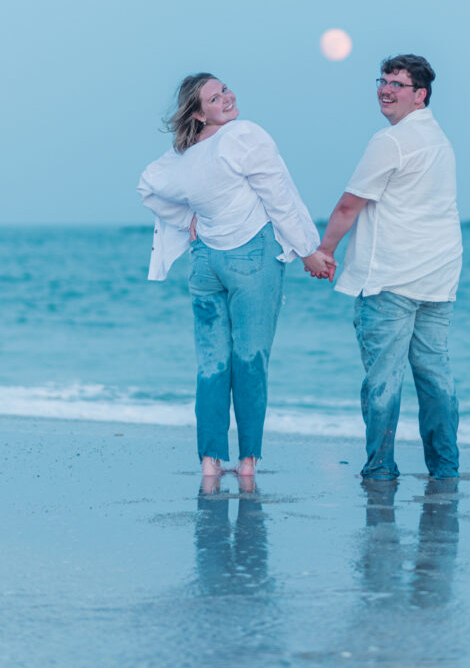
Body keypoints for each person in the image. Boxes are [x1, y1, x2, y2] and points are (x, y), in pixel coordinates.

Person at [137, 73, 332, 486]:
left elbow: (147, 188)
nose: (227, 98)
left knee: (212, 365)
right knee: (250, 362)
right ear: (197, 111)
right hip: (251, 259)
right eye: (215, 97)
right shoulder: (244, 135)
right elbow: (279, 197)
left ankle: (210, 461)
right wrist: (308, 251)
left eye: (225, 90)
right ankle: (246, 462)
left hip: (205, 261)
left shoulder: (181, 157)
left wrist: (186, 218)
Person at [317, 54, 462, 481]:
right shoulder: (439, 139)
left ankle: (380, 468)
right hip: (438, 275)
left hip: (392, 277)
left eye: (398, 84)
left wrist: (325, 251)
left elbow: (349, 204)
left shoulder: (390, 141)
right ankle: (445, 467)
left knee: (383, 379)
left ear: (420, 95)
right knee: (435, 376)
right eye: (383, 80)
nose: (386, 89)